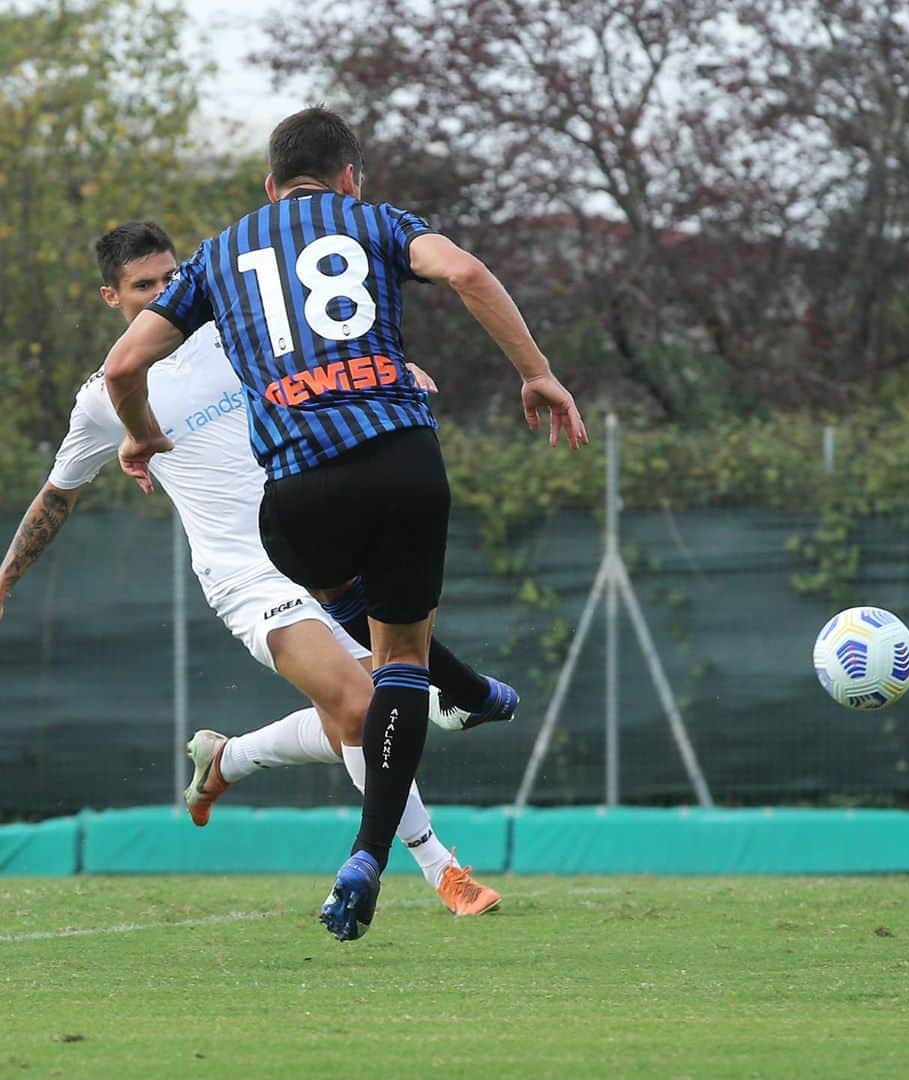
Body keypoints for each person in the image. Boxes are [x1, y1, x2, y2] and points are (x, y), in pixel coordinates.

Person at [104, 106, 587, 941]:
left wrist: (142, 434)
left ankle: (464, 698)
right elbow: (468, 275)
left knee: (350, 616)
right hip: (402, 461)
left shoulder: (219, 255)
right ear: (348, 177)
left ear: (268, 184)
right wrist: (538, 375)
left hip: (298, 495)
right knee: (397, 661)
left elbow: (123, 364)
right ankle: (375, 842)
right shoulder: (373, 221)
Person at [0, 220, 502, 916]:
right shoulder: (101, 400)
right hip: (246, 575)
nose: (162, 293)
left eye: (171, 278)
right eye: (143, 286)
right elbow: (57, 495)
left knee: (368, 715)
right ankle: (440, 869)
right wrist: (4, 581)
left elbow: (326, 361)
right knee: (363, 707)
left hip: (317, 541)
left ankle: (227, 759)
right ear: (110, 296)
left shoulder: (235, 333)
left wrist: (391, 377)